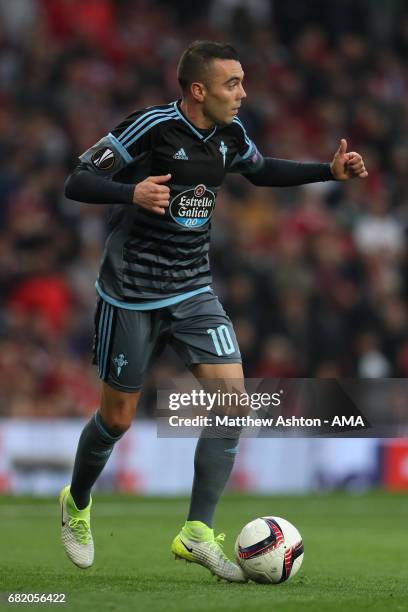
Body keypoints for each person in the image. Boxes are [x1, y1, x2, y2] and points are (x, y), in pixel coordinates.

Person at [61, 40, 367, 582]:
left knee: (233, 402)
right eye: (233, 84)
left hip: (193, 290)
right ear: (198, 90)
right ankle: (77, 503)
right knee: (117, 419)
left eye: (243, 82)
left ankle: (195, 532)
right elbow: (77, 180)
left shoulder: (229, 135)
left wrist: (327, 171)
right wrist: (131, 193)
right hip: (130, 292)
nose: (243, 94)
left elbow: (262, 168)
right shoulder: (151, 127)